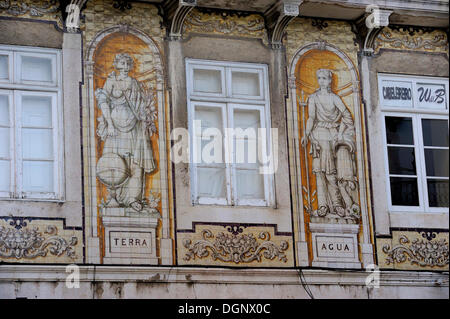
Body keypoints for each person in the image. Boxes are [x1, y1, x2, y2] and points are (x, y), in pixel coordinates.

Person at [95, 53, 157, 212]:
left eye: (128, 62)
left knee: (135, 163)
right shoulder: (111, 81)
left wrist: (144, 120)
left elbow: (140, 106)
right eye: (122, 62)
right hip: (115, 126)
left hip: (133, 126)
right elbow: (104, 103)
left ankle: (133, 199)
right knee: (115, 161)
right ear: (116, 64)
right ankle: (115, 197)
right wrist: (109, 124)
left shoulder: (134, 83)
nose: (126, 65)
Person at [302, 69, 359, 219]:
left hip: (332, 134)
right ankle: (322, 205)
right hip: (318, 133)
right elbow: (311, 118)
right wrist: (306, 135)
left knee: (331, 172)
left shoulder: (335, 98)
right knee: (319, 172)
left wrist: (340, 133)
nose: (322, 81)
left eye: (325, 78)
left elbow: (347, 116)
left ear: (329, 80)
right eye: (319, 78)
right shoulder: (313, 98)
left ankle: (337, 204)